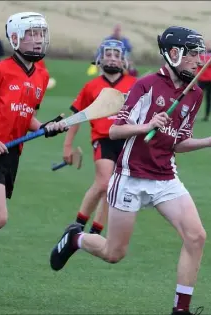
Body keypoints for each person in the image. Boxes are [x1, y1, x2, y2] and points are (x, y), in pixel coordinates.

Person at [49, 26, 211, 315]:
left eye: (201, 53)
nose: (199, 60)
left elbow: (178, 143)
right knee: (114, 253)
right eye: (193, 54)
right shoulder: (146, 85)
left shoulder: (195, 94)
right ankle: (76, 238)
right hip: (130, 177)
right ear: (174, 54)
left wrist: (210, 141)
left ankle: (181, 310)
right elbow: (116, 131)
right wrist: (147, 126)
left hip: (165, 177)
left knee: (196, 236)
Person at [0, 12, 66, 256]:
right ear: (15, 38)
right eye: (31, 34)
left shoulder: (41, 76)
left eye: (41, 33)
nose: (38, 39)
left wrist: (44, 128)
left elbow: (25, 115)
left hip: (11, 155)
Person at [62, 39, 137, 236]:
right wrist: (67, 146)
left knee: (112, 188)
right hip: (103, 139)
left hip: (128, 141)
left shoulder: (135, 85)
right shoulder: (91, 86)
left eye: (116, 55)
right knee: (104, 182)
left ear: (124, 61)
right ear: (99, 59)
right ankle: (77, 226)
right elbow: (77, 117)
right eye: (108, 54)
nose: (112, 58)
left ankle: (95, 232)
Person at [197, 41, 211, 122]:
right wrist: (203, 63)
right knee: (198, 97)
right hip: (201, 78)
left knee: (209, 98)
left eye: (209, 45)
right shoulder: (200, 53)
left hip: (210, 78)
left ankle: (207, 115)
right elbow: (197, 62)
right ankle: (194, 114)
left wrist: (205, 64)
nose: (207, 46)